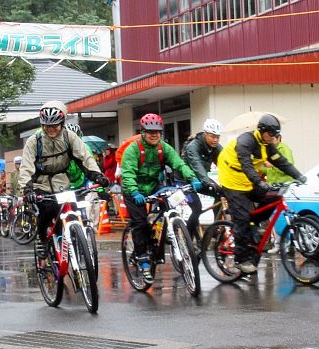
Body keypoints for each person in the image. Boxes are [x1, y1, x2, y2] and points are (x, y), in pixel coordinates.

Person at [17, 101, 109, 261]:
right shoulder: (34, 141)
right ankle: (42, 240)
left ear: (62, 123)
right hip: (41, 184)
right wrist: (27, 189)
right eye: (47, 126)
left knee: (70, 211)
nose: (51, 129)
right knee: (45, 212)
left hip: (62, 184)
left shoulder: (70, 137)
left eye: (55, 126)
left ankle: (71, 243)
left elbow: (85, 158)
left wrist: (97, 175)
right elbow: (26, 167)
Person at [217, 113, 306, 274]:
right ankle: (241, 259)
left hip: (247, 179)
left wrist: (299, 175)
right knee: (242, 218)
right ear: (262, 131)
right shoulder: (245, 141)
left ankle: (253, 224)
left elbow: (281, 162)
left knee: (274, 196)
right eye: (271, 134)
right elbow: (246, 164)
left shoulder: (267, 144)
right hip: (231, 179)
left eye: (276, 134)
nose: (273, 137)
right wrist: (259, 182)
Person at [121, 113, 201, 282]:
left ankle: (167, 234)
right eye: (150, 132)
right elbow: (127, 174)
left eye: (158, 132)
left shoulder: (164, 147)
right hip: (133, 189)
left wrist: (192, 177)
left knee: (169, 208)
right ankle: (142, 258)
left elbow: (178, 163)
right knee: (140, 223)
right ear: (143, 132)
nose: (154, 135)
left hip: (154, 186)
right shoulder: (133, 150)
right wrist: (135, 191)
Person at [178, 118, 224, 238]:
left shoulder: (216, 147)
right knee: (197, 208)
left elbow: (225, 163)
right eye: (212, 136)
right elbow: (197, 165)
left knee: (221, 194)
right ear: (205, 134)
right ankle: (188, 238)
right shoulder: (193, 146)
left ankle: (215, 228)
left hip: (201, 179)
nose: (215, 139)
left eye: (218, 136)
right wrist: (208, 182)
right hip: (184, 181)